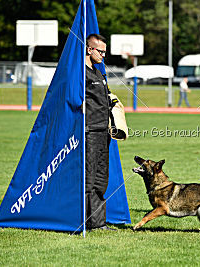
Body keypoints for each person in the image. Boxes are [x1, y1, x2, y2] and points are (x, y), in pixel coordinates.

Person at [84, 34, 115, 230]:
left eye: (105, 51)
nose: (103, 55)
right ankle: (85, 220)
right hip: (89, 132)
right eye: (100, 51)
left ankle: (98, 222)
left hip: (104, 132)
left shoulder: (99, 73)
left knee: (101, 178)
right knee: (88, 177)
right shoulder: (80, 73)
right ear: (89, 49)